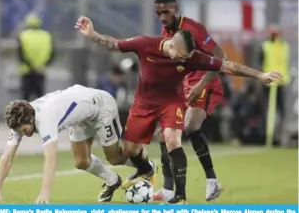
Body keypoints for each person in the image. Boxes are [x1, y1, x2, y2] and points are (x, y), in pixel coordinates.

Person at [75, 16, 283, 204]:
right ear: (172, 45)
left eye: (187, 58)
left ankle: (180, 197)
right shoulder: (145, 44)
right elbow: (113, 44)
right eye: (181, 56)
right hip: (143, 105)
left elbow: (228, 66)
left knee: (172, 139)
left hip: (171, 102)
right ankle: (146, 168)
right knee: (124, 154)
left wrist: (260, 75)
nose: (184, 61)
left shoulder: (191, 57)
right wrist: (93, 34)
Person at [0, 84, 133, 204]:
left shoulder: (45, 119)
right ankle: (113, 180)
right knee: (81, 161)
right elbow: (7, 157)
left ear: (31, 119)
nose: (23, 134)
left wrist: (44, 193)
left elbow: (51, 159)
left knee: (115, 158)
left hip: (100, 105)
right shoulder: (20, 119)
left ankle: (145, 165)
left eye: (24, 130)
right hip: (81, 114)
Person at [153, 0, 228, 202]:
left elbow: (220, 56)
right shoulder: (165, 31)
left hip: (206, 81)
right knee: (163, 132)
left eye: (166, 12)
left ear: (176, 9)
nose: (162, 17)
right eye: (158, 13)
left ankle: (212, 181)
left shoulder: (193, 28)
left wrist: (201, 84)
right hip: (185, 85)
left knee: (190, 125)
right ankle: (168, 189)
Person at [18, 14, 55, 101]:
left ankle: (25, 115)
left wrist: (31, 66)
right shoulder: (47, 36)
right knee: (40, 100)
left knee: (25, 99)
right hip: (41, 71)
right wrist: (42, 65)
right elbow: (52, 53)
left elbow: (21, 54)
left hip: (27, 71)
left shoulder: (23, 36)